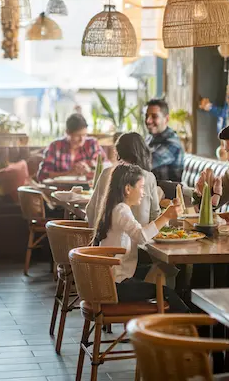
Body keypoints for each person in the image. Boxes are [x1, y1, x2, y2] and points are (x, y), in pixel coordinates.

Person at [93, 164, 189, 313]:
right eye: (142, 187)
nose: (144, 193)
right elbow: (141, 236)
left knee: (161, 269)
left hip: (111, 280)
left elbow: (140, 234)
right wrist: (166, 216)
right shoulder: (121, 210)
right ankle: (190, 325)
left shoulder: (115, 208)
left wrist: (167, 217)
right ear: (128, 189)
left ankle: (156, 327)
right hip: (117, 286)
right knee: (166, 292)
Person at [86, 132, 160, 228]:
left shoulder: (106, 173)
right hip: (140, 241)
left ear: (118, 152)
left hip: (105, 241)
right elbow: (155, 215)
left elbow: (90, 210)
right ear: (143, 151)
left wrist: (97, 235)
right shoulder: (148, 177)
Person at [37, 113, 107, 182]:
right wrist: (70, 173)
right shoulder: (55, 146)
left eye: (84, 135)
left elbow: (107, 167)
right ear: (67, 132)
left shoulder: (92, 144)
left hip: (88, 188)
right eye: (77, 135)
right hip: (61, 189)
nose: (82, 139)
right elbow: (43, 175)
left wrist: (91, 168)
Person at [145, 99, 184, 182]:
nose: (148, 120)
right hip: (150, 190)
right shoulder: (149, 137)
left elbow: (145, 164)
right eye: (146, 116)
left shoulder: (173, 142)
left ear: (166, 119)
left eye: (154, 116)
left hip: (168, 193)